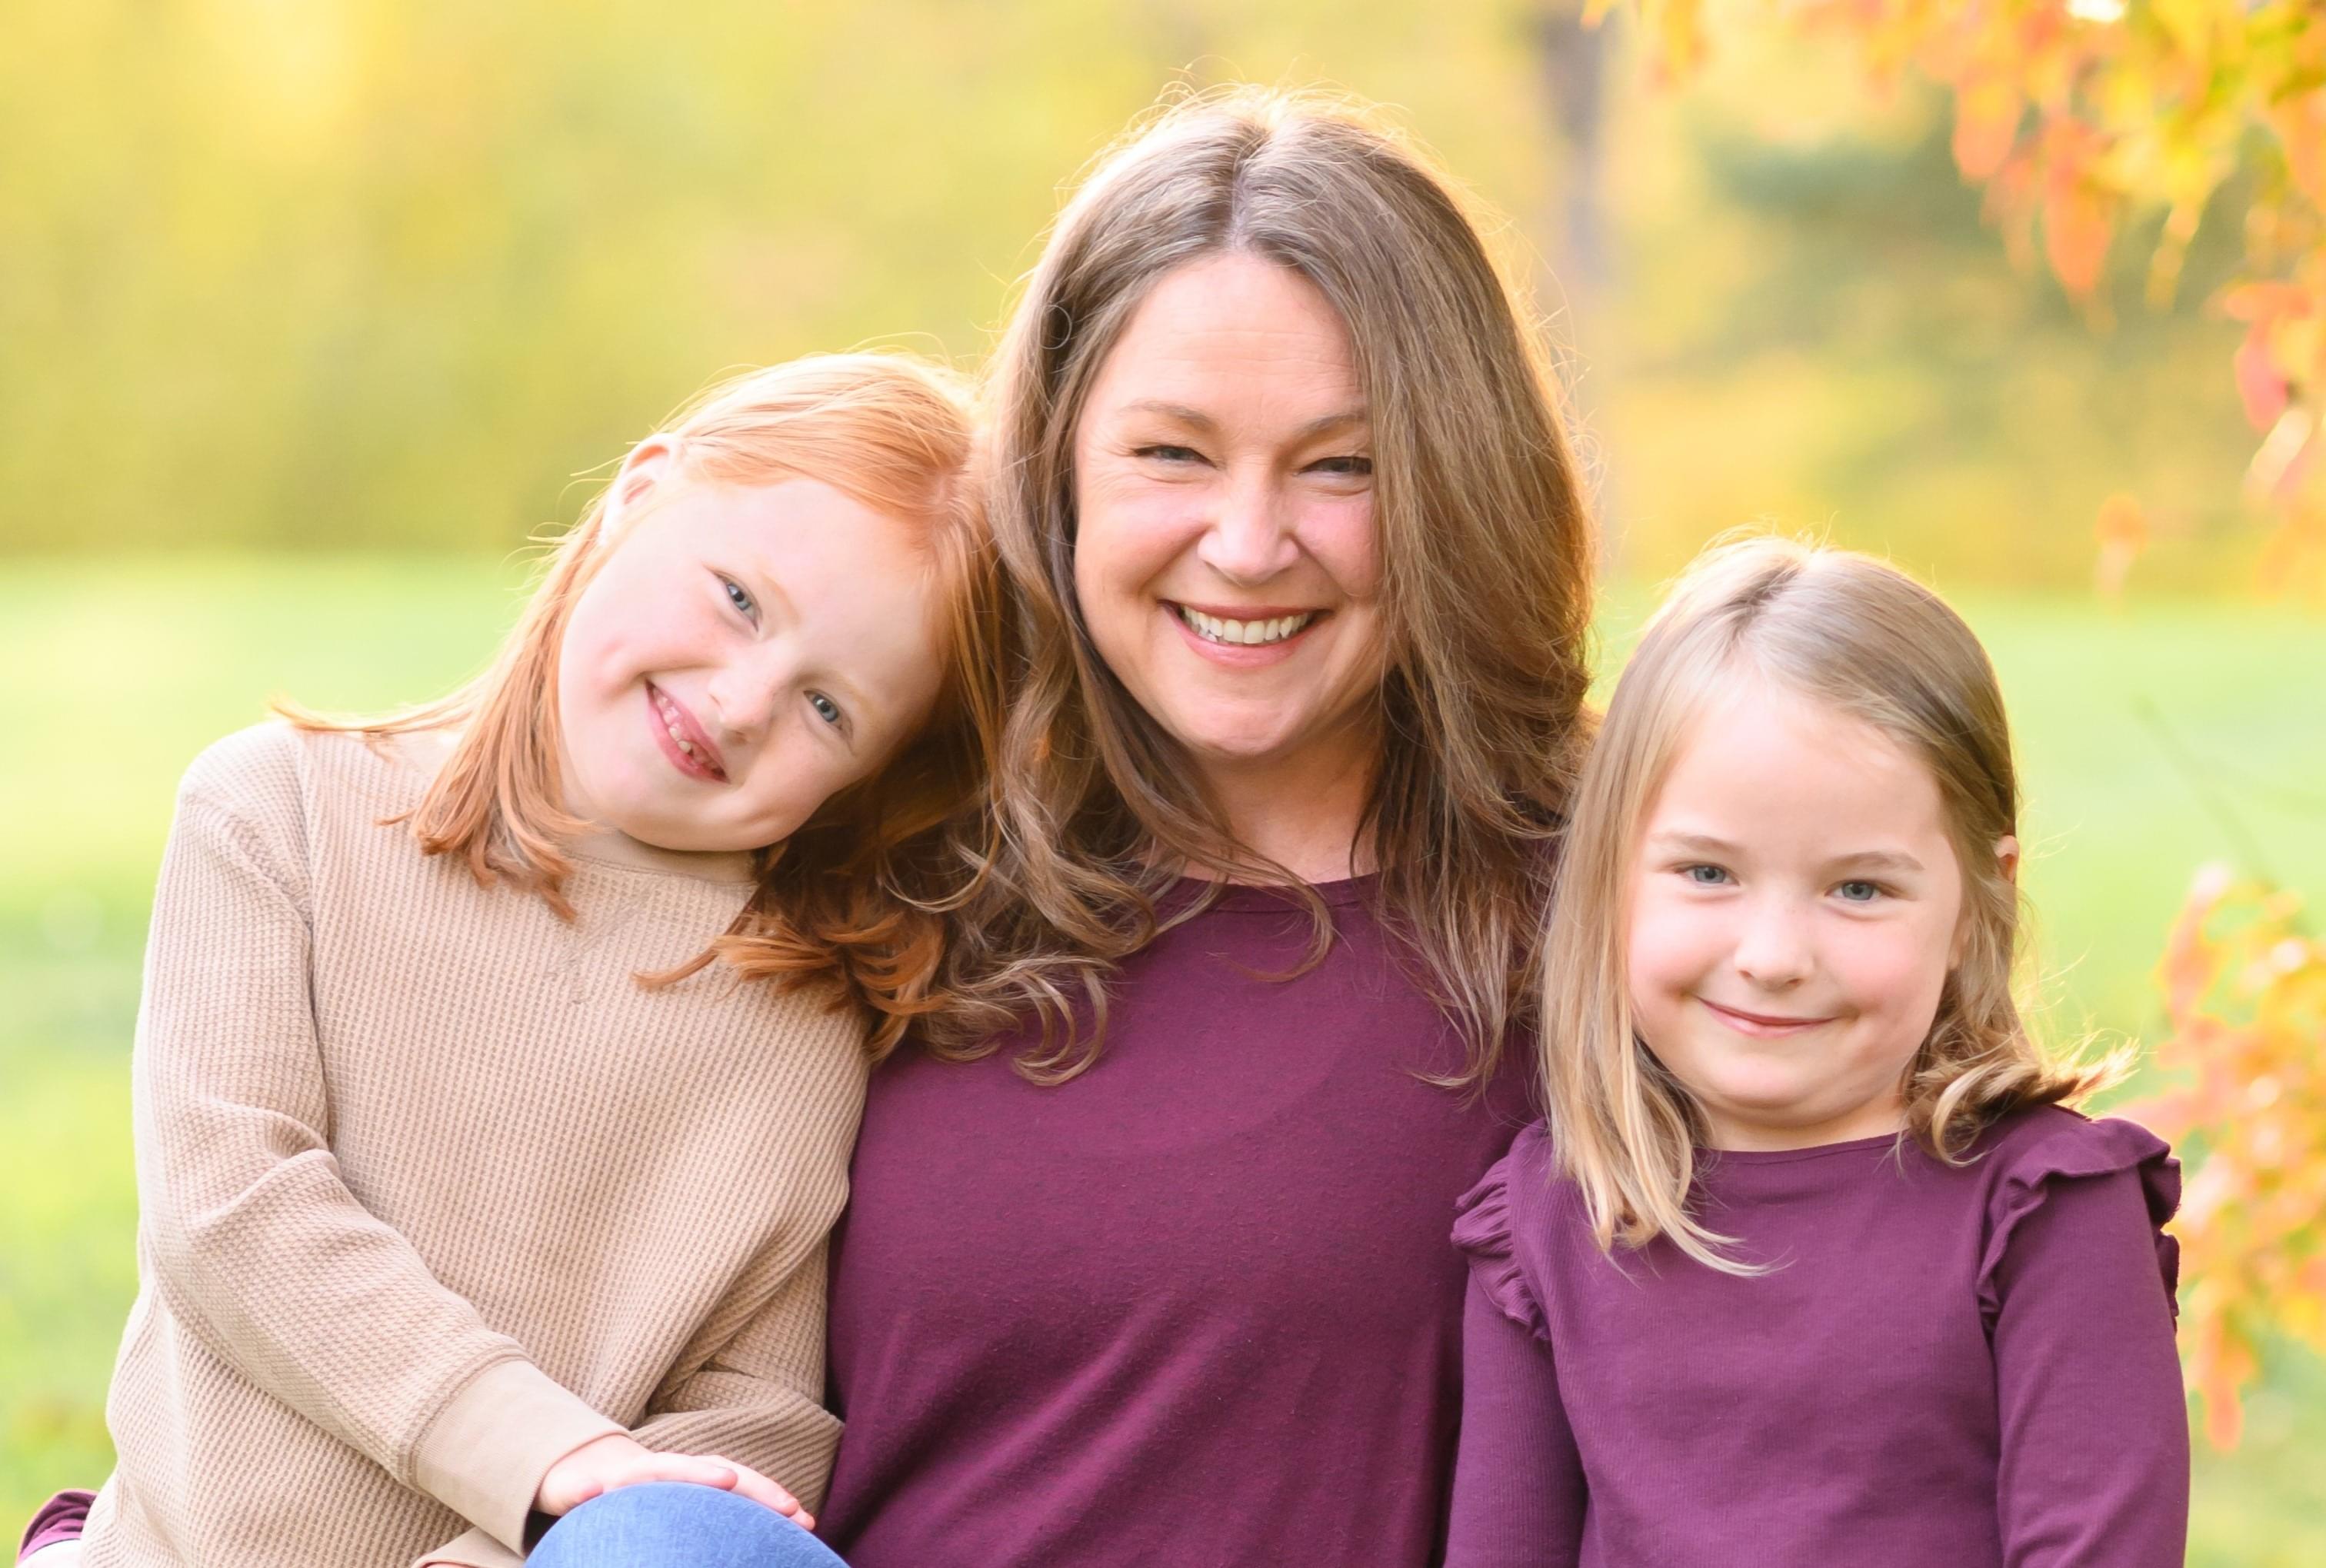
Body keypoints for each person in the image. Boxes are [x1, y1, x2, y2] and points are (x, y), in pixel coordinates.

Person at [17, 354, 995, 1568]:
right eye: (741, 600)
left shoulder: (804, 1015)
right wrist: (537, 1457)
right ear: (640, 493)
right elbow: (233, 1209)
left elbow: (762, 1415)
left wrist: (520, 1551)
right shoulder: (279, 811)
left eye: (829, 709)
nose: (745, 702)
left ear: (871, 776)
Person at [809, 88, 1598, 1566]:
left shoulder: (1621, 916)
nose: (1246, 545)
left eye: (1344, 465)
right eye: (1171, 454)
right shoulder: (878, 860)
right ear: (1054, 469)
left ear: (1460, 483)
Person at [1445, 537, 2189, 1566]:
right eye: (1708, 873)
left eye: (1858, 889)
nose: (1774, 957)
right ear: (1608, 872)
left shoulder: (2042, 1211)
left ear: (1979, 903)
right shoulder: (1552, 1220)